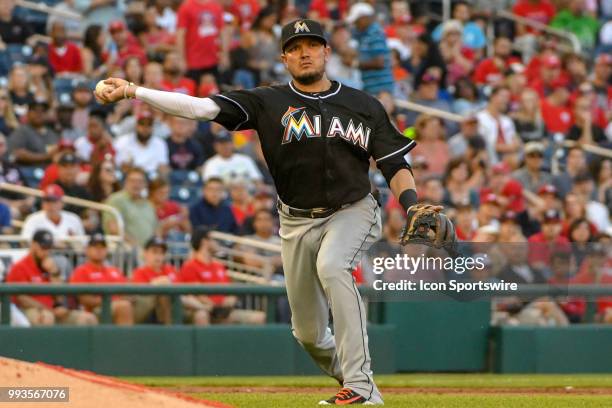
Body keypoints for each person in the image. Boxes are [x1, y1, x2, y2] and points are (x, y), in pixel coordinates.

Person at [97, 18, 425, 404]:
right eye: (296, 47)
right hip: (295, 220)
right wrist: (136, 91)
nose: (305, 52)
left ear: (327, 51)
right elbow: (199, 108)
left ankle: (361, 387)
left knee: (334, 266)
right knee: (307, 333)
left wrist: (412, 204)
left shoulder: (363, 105)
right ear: (284, 58)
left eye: (313, 44)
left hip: (352, 209)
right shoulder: (267, 101)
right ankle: (353, 380)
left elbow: (394, 164)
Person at [6, 230, 97, 326]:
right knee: (46, 317)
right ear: (33, 245)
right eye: (43, 247)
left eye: (48, 248)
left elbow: (60, 297)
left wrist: (54, 273)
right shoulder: (20, 266)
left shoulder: (50, 265)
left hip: (53, 309)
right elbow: (23, 300)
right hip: (30, 310)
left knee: (88, 319)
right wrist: (48, 309)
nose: (46, 251)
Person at [178, 227, 266, 325]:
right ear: (204, 241)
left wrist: (231, 300)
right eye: (212, 239)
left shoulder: (218, 265)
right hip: (204, 309)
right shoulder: (190, 265)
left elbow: (229, 289)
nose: (216, 243)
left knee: (260, 318)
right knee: (201, 315)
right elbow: (195, 293)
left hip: (224, 312)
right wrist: (214, 306)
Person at [70, 233, 134, 325]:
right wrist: (111, 300)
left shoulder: (114, 270)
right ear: (87, 250)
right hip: (95, 310)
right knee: (124, 306)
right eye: (95, 247)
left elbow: (128, 291)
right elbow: (84, 299)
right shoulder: (81, 271)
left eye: (102, 247)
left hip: (118, 305)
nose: (99, 250)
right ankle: (125, 339)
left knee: (132, 303)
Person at [346, 2, 394, 95]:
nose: (355, 25)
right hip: (371, 88)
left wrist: (354, 63)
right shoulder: (364, 34)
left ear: (364, 18)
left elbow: (379, 63)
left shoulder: (375, 33)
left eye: (357, 21)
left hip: (380, 89)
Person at [103, 167, 157, 247]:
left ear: (145, 184)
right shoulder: (116, 200)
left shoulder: (149, 205)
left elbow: (155, 230)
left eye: (140, 181)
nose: (136, 184)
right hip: (122, 252)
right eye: (132, 181)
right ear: (125, 182)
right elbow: (113, 228)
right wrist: (134, 245)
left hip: (146, 254)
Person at [131, 236, 178, 324]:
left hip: (175, 305)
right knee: (163, 285)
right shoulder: (139, 272)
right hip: (149, 314)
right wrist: (160, 283)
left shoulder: (171, 270)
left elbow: (181, 290)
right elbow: (139, 296)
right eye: (155, 252)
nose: (158, 256)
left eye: (161, 253)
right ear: (145, 253)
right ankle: (169, 329)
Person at [8, 101, 60, 166]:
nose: (39, 114)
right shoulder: (22, 131)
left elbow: (57, 153)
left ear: (47, 114)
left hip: (48, 170)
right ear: (28, 113)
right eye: (35, 110)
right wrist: (46, 156)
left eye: (43, 111)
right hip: (27, 170)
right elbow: (17, 154)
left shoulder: (52, 133)